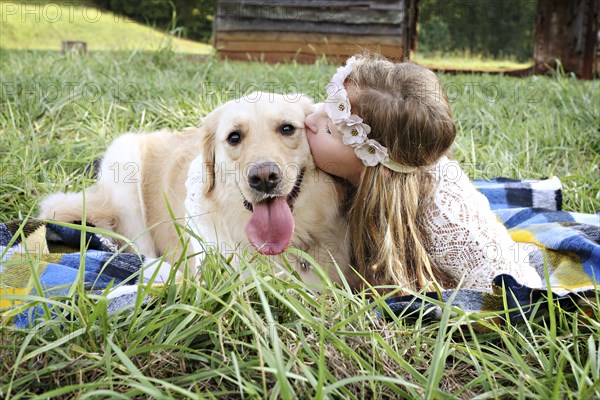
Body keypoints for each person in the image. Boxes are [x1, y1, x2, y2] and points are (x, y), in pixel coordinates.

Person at [304, 54, 542, 293]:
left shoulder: (436, 222)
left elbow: (521, 293)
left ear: (375, 165)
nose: (310, 119)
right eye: (326, 105)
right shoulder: (395, 159)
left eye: (327, 129)